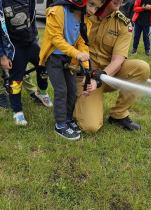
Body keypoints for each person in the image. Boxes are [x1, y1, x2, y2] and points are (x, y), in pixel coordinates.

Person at [73, 0, 150, 133]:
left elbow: (117, 61)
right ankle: (75, 102)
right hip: (83, 78)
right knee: (90, 127)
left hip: (106, 76)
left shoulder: (123, 23)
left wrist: (98, 78)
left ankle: (118, 114)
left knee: (141, 67)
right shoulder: (84, 13)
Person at [39, 0, 109, 140]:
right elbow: (56, 39)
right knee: (61, 90)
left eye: (97, 8)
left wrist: (87, 72)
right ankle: (59, 125)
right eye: (91, 4)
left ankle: (67, 119)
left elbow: (83, 44)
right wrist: (76, 53)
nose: (93, 10)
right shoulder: (57, 11)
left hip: (69, 59)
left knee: (72, 90)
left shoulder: (86, 22)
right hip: (54, 58)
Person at [0, 0, 52, 125]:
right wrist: (2, 56)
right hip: (14, 48)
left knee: (45, 66)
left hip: (31, 43)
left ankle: (42, 92)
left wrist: (36, 40)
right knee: (16, 81)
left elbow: (32, 20)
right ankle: (17, 111)